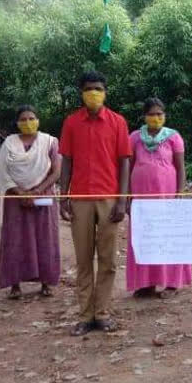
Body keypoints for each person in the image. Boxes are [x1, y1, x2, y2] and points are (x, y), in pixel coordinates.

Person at [60, 71, 131, 336]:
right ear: (81, 92)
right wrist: (62, 196)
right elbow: (66, 160)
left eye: (98, 88)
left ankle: (102, 313)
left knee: (108, 259)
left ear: (106, 92)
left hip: (109, 199)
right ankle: (85, 315)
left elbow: (124, 161)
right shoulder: (71, 123)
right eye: (89, 88)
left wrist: (122, 200)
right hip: (79, 199)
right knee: (83, 260)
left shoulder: (117, 122)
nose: (94, 93)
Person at [126, 98, 192, 298]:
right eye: (152, 114)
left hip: (167, 194)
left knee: (169, 236)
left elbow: (180, 168)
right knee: (143, 236)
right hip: (141, 196)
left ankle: (172, 283)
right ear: (145, 116)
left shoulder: (173, 137)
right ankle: (146, 283)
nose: (156, 117)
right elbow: (128, 166)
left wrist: (179, 194)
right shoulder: (135, 137)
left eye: (159, 114)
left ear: (164, 115)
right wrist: (127, 196)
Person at [0, 105, 61, 299]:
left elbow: (56, 171)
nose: (28, 122)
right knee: (15, 240)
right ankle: (15, 285)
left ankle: (46, 283)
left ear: (38, 120)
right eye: (23, 119)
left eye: (31, 118)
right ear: (17, 123)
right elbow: (4, 172)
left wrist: (37, 191)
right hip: (15, 199)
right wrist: (20, 192)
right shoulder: (9, 143)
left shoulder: (49, 141)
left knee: (45, 238)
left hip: (43, 197)